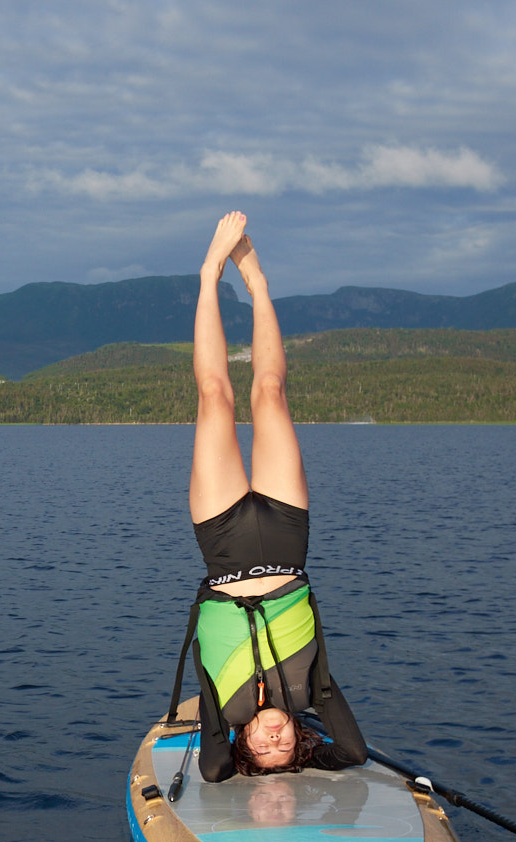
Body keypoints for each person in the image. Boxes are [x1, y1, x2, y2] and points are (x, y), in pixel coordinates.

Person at [167, 211, 368, 782]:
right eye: (286, 748)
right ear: (299, 738)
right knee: (272, 394)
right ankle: (258, 285)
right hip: (286, 539)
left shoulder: (224, 709)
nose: (274, 739)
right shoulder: (313, 693)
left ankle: (209, 274)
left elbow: (213, 770)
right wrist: (310, 757)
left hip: (224, 544)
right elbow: (352, 753)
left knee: (214, 396)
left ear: (244, 744)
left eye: (263, 749)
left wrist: (241, 758)